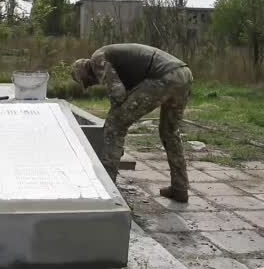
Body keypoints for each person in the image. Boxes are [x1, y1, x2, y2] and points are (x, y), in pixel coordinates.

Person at [71, 43, 193, 203]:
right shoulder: (111, 58)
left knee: (114, 125)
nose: (92, 84)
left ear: (84, 71)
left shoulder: (97, 60)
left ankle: (107, 186)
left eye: (88, 81)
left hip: (163, 76)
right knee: (169, 132)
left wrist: (116, 115)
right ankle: (180, 189)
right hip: (183, 74)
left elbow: (118, 94)